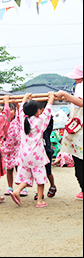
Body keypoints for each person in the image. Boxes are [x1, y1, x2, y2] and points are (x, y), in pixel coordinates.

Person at [9, 92, 55, 208]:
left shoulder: (23, 120)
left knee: (26, 176)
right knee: (40, 178)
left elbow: (21, 109)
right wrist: (51, 98)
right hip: (37, 156)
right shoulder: (39, 122)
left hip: (24, 155)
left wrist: (25, 97)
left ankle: (17, 191)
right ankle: (39, 201)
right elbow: (47, 112)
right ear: (37, 111)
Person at [55, 64, 83, 200]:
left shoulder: (81, 86)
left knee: (80, 164)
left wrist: (65, 94)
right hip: (79, 129)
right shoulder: (78, 86)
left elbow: (81, 102)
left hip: (80, 130)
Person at [1, 103, 28, 197]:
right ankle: (9, 186)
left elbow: (20, 113)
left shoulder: (16, 120)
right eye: (7, 110)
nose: (9, 112)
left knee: (19, 167)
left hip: (17, 148)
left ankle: (21, 187)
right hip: (7, 149)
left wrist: (17, 105)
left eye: (11, 110)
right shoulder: (3, 121)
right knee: (9, 168)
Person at [33, 101, 57, 200]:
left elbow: (47, 115)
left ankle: (52, 185)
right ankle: (39, 192)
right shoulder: (34, 120)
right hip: (37, 149)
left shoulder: (47, 118)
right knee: (38, 171)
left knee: (47, 171)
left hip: (45, 147)